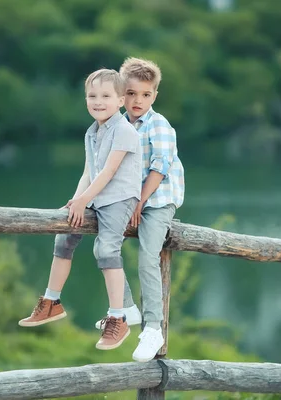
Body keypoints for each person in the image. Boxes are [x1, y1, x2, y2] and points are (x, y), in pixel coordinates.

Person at [19, 69, 142, 351]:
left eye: (106, 96)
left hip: (119, 198)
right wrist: (76, 200)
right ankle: (52, 301)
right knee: (64, 235)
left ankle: (118, 316)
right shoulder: (93, 132)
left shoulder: (124, 130)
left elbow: (109, 172)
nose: (98, 101)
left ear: (121, 100)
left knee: (107, 250)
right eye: (92, 96)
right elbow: (89, 171)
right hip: (97, 197)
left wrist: (86, 198)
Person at [95, 57, 185, 362]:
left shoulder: (159, 126)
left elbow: (159, 170)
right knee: (105, 243)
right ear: (122, 93)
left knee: (148, 256)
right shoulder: (116, 124)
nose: (137, 101)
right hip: (132, 198)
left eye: (145, 95)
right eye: (131, 93)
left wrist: (140, 202)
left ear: (155, 96)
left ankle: (152, 328)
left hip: (157, 199)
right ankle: (125, 310)